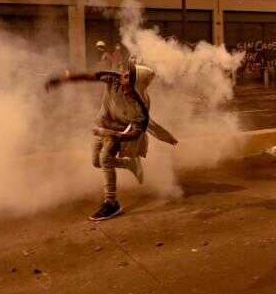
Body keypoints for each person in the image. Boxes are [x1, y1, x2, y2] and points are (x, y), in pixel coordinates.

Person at [45, 61, 177, 221]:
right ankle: (130, 164)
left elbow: (136, 132)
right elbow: (88, 76)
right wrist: (62, 79)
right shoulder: (114, 79)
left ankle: (111, 203)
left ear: (135, 85)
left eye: (129, 76)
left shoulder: (140, 106)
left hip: (118, 132)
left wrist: (116, 135)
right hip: (102, 125)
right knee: (96, 162)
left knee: (105, 158)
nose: (123, 74)